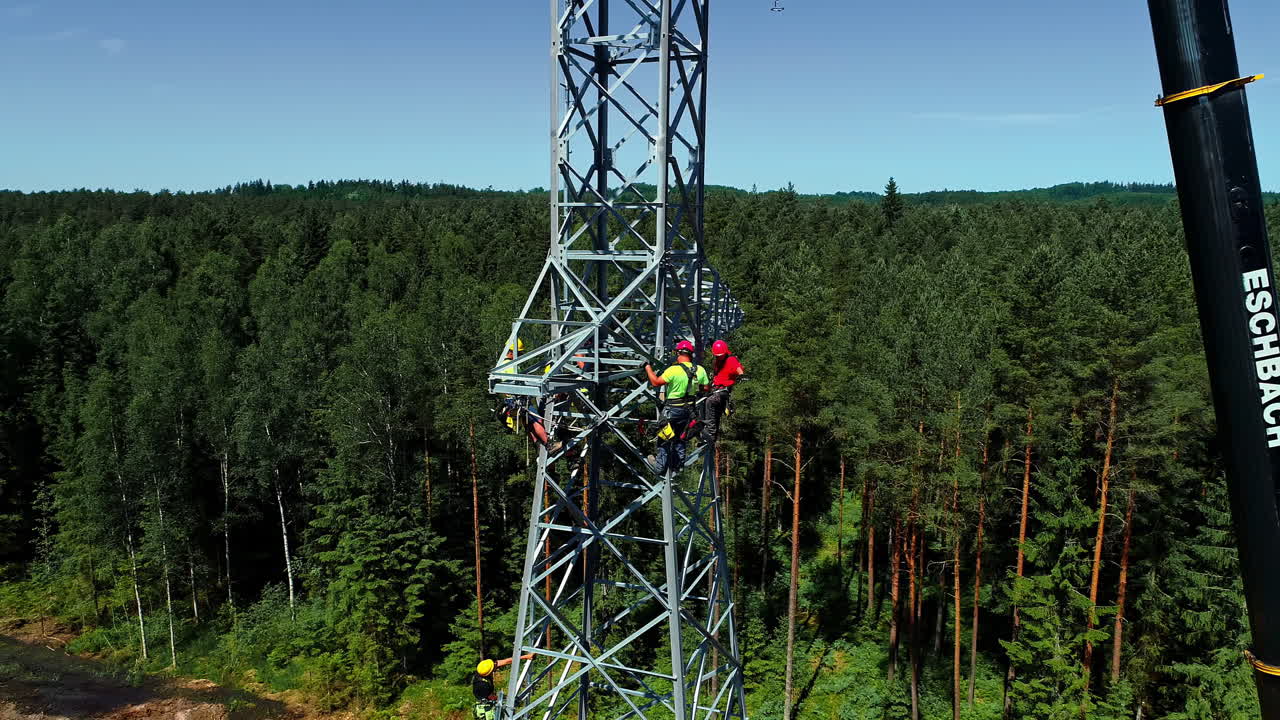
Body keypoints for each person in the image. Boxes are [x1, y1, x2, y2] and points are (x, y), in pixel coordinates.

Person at [644, 340, 710, 473]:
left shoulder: (673, 370)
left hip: (672, 410)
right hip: (688, 411)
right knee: (681, 437)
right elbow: (706, 388)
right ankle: (677, 464)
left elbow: (656, 382)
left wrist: (647, 367)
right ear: (691, 354)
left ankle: (659, 467)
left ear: (678, 353)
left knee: (665, 437)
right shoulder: (700, 370)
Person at [701, 339, 744, 443]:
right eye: (717, 355)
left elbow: (740, 371)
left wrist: (741, 377)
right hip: (716, 390)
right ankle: (706, 432)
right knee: (706, 407)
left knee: (710, 402)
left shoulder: (731, 360)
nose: (719, 357)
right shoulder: (717, 362)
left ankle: (710, 433)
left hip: (723, 392)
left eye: (721, 355)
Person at [472, 655, 532, 720]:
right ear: (490, 672)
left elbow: (506, 661)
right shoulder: (482, 685)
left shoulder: (482, 670)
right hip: (486, 709)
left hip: (489, 701)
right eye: (494, 666)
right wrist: (507, 698)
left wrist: (526, 656)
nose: (496, 665)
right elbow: (492, 697)